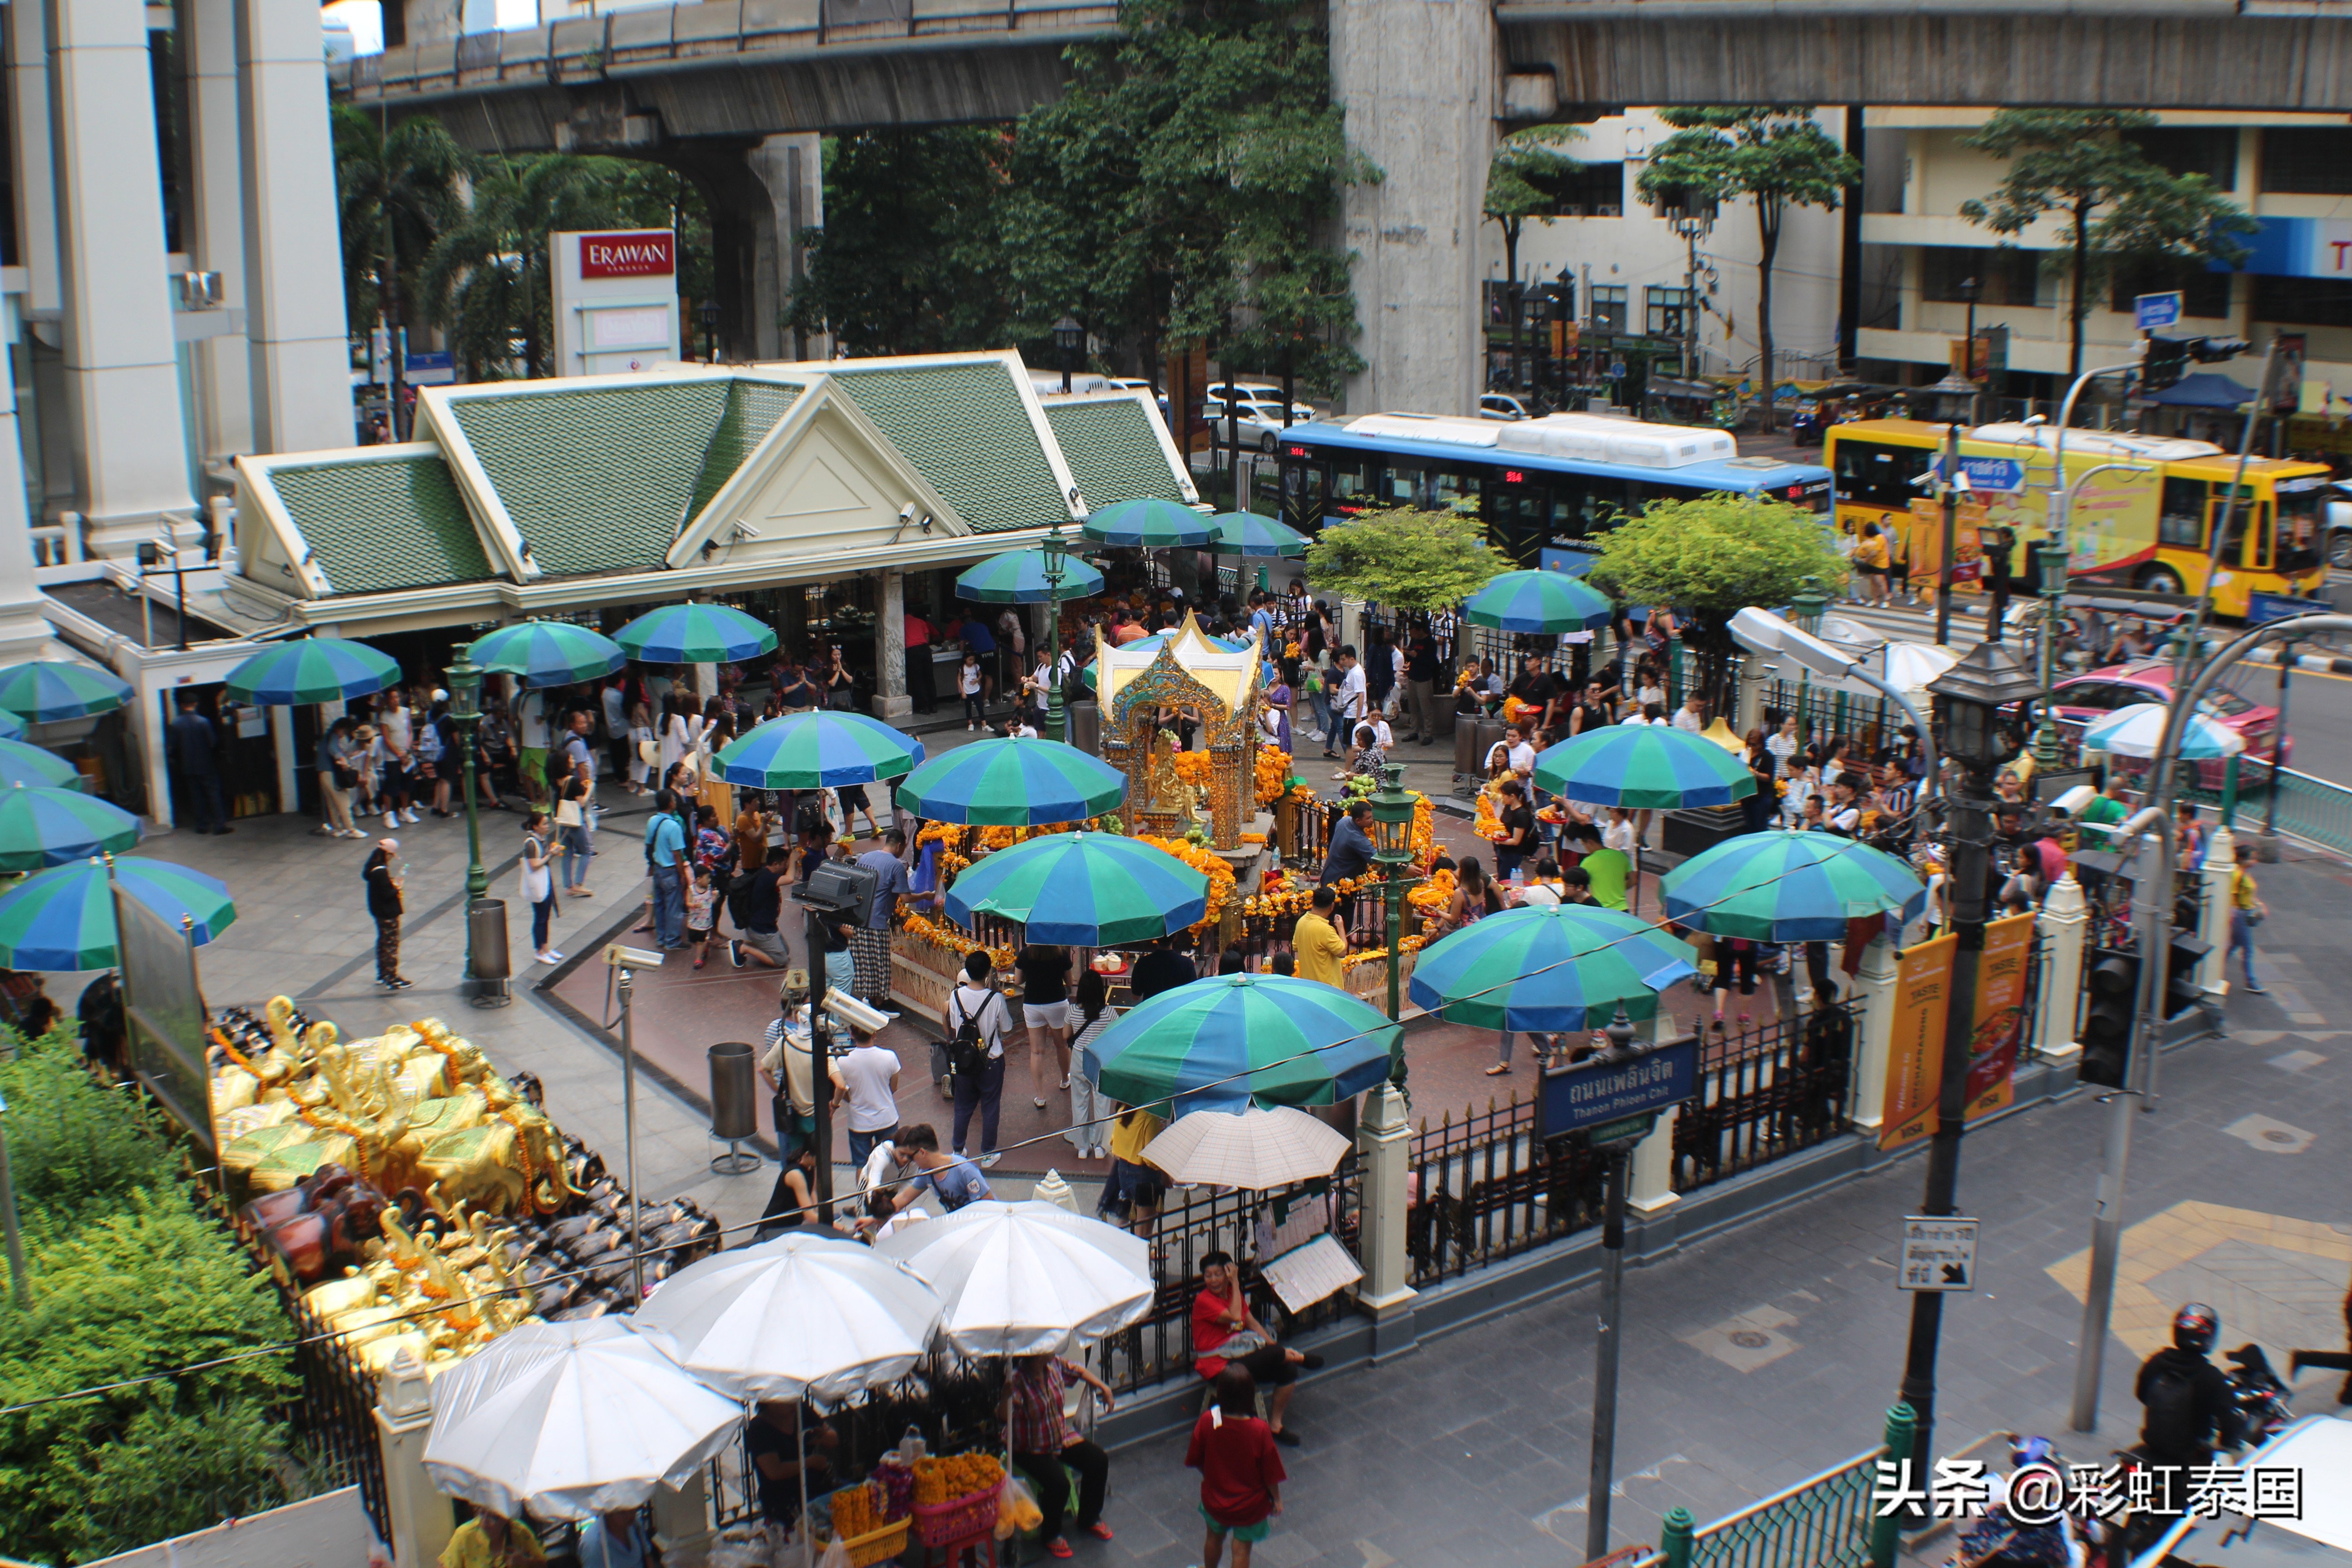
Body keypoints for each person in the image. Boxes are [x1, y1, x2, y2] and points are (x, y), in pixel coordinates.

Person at [1193, 1251, 1321, 1445]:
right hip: (1217, 1367)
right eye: (1208, 1275)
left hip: (1239, 1356)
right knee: (1279, 1354)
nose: (1213, 1280)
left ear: (1228, 1273)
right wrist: (1235, 1283)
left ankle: (1276, 1425)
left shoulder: (1234, 1296)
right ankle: (1299, 1357)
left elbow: (1251, 1323)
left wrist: (1273, 1347)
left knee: (1287, 1368)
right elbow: (1236, 1317)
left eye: (1218, 1274)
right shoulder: (1204, 1301)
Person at [1005, 1352, 1117, 1558]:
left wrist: (1104, 1388)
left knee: (1098, 1461)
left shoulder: (1054, 1365)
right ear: (1037, 1354)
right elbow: (1005, 1414)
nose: (1053, 1348)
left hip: (1059, 1436)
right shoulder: (1017, 1380)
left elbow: (1078, 1370)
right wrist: (1007, 1399)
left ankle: (1089, 1518)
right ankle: (1050, 1534)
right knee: (1059, 1484)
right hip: (1030, 1446)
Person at [1187, 1364, 1287, 1568]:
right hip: (1249, 1506)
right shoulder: (1259, 1430)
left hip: (1215, 1500)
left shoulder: (1209, 1420)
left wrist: (1212, 1477)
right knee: (1241, 1552)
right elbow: (1270, 1472)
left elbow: (1196, 1457)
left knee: (1213, 1540)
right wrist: (1276, 1499)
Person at [2136, 1302, 2244, 1470]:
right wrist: (2229, 1440)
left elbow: (2142, 1394)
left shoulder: (2157, 1362)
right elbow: (2228, 1421)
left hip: (2152, 1442)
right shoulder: (2211, 1377)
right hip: (2188, 1454)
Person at [946, 951, 1012, 1166]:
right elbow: (1008, 1027)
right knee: (990, 1105)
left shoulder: (956, 996)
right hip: (991, 1059)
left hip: (963, 1059)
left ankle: (957, 1150)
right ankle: (987, 1153)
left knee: (963, 1105)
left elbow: (955, 1027)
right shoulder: (996, 999)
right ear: (987, 972)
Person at [746, 1400, 837, 1529]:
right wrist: (810, 1462)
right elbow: (774, 1471)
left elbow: (833, 1439)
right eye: (786, 1399)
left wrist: (822, 1435)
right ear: (769, 1401)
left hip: (814, 1494)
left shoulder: (802, 1411)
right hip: (783, 1503)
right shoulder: (759, 1429)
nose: (792, 1403)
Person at [852, 828, 911, 1005]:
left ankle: (868, 999)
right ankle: (877, 1005)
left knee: (865, 964)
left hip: (859, 919)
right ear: (899, 846)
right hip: (877, 921)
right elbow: (906, 897)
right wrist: (925, 895)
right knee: (880, 966)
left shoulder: (865, 858)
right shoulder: (896, 866)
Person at [830, 1024, 901, 1167]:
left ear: (852, 1035)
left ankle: (863, 1190)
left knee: (861, 1165)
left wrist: (853, 1099)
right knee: (889, 1162)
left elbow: (843, 1091)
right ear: (874, 1034)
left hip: (859, 1121)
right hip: (887, 1118)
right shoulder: (889, 1056)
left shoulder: (843, 1061)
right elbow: (893, 1087)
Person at [885, 1122, 992, 1215]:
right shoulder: (927, 1172)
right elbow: (905, 1197)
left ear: (922, 1152)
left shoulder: (964, 1170)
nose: (909, 1161)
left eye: (911, 1157)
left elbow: (989, 1203)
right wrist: (876, 1217)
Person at [1016, 941, 1073, 1112]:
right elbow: (1070, 982)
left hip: (1033, 1005)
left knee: (1037, 1051)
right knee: (1062, 1045)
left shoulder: (1025, 954)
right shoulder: (1061, 954)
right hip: (1057, 1004)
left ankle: (1041, 1097)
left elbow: (1018, 980)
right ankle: (1065, 1080)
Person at [167, 692, 229, 835]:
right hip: (206, 764)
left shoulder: (176, 724)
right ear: (196, 705)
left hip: (188, 766)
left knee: (197, 796)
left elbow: (173, 746)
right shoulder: (203, 722)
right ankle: (219, 825)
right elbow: (213, 742)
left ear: (182, 706)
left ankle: (202, 825)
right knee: (213, 794)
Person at [731, 844, 792, 969]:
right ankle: (743, 948)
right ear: (776, 864)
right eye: (785, 864)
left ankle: (748, 944)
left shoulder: (765, 873)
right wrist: (795, 860)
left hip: (768, 926)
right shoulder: (767, 877)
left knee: (786, 951)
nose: (786, 867)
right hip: (761, 929)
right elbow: (790, 879)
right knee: (781, 960)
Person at [645, 788, 688, 951]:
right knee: (673, 906)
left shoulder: (652, 821)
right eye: (674, 799)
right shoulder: (674, 826)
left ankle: (661, 938)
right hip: (670, 871)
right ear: (670, 803)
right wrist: (682, 875)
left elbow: (649, 845)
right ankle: (672, 940)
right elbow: (678, 854)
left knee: (660, 905)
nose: (676, 802)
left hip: (658, 869)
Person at [364, 838, 410, 990]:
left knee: (383, 942)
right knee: (391, 943)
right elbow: (387, 894)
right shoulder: (381, 872)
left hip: (378, 912)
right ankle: (392, 976)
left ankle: (382, 974)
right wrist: (397, 888)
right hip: (388, 912)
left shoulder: (372, 868)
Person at [518, 810, 563, 965]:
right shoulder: (531, 843)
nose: (547, 827)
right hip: (539, 884)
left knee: (546, 917)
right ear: (536, 827)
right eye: (544, 824)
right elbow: (534, 865)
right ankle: (539, 951)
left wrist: (551, 852)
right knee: (541, 918)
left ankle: (546, 948)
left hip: (545, 881)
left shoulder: (540, 840)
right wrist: (550, 855)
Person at [437, 1508, 543, 1568]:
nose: (485, 1523)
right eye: (482, 1514)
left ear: (506, 1517)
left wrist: (526, 1562)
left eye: (494, 1517)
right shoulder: (465, 1535)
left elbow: (543, 1565)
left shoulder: (520, 1532)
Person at [314, 717, 363, 839]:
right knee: (343, 801)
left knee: (332, 802)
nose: (344, 735)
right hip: (331, 773)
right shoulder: (334, 737)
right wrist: (342, 759)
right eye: (345, 732)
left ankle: (337, 828)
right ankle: (351, 829)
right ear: (341, 729)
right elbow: (333, 749)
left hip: (323, 773)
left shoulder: (326, 737)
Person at [2229, 843, 2266, 993]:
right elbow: (2232, 896)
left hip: (2242, 912)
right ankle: (2251, 981)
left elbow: (2247, 893)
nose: (2255, 862)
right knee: (2248, 949)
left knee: (2233, 946)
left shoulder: (2243, 873)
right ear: (2243, 859)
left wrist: (2257, 904)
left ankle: (2212, 969)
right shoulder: (2237, 875)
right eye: (2253, 859)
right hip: (2239, 914)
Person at [1292, 887, 1348, 987]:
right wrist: (1341, 928)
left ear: (1313, 902)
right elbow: (1342, 952)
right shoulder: (1326, 930)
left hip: (1309, 986)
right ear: (1332, 906)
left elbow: (1295, 947)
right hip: (1328, 989)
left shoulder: (1301, 922)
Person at [1322, 646, 1364, 761]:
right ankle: (1349, 756)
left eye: (1344, 659)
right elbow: (1332, 690)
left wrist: (1358, 716)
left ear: (1351, 659)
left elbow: (1361, 694)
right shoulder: (1335, 672)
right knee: (1340, 728)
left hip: (1348, 709)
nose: (1342, 662)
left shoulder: (1353, 672)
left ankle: (1330, 749)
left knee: (1337, 728)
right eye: (1341, 659)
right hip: (1335, 705)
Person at [1129, 933, 1197, 1002]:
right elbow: (1193, 993)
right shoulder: (1187, 963)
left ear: (1156, 938)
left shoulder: (1142, 963)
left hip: (1152, 1010)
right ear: (1175, 938)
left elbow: (1136, 996)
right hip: (1176, 1010)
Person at [574, 1507, 651, 1568]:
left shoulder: (635, 1525)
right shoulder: (594, 1545)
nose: (630, 1515)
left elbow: (647, 1554)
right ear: (608, 1513)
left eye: (632, 1509)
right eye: (622, 1512)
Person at [1493, 779, 1536, 883]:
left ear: (1512, 796)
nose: (1503, 798)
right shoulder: (1508, 807)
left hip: (1513, 854)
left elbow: (1516, 841)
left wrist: (1498, 840)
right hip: (1502, 850)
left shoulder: (1522, 815)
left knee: (1505, 881)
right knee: (1502, 876)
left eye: (1504, 795)